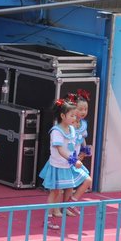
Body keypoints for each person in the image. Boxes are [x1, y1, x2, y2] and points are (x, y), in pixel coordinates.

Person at [39, 98, 91, 230]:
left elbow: (74, 145)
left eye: (75, 115)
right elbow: (61, 150)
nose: (75, 118)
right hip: (58, 166)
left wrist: (82, 152)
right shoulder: (56, 131)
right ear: (63, 116)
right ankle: (48, 219)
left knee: (87, 180)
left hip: (69, 165)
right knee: (55, 192)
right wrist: (74, 160)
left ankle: (70, 204)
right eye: (72, 115)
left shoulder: (72, 129)